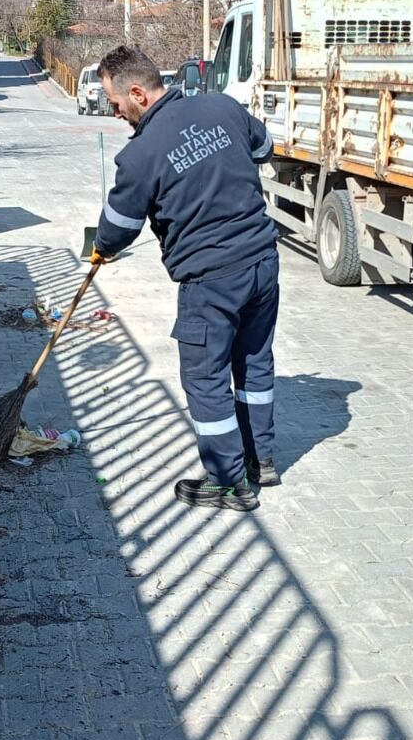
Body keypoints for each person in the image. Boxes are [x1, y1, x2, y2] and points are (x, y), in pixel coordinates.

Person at [90, 45, 280, 513]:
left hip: (211, 281)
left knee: (206, 379)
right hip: (261, 262)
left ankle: (229, 483)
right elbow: (264, 148)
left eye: (116, 104)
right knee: (254, 362)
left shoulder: (139, 156)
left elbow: (118, 226)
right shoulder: (222, 106)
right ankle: (263, 460)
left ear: (138, 93)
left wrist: (101, 250)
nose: (116, 114)